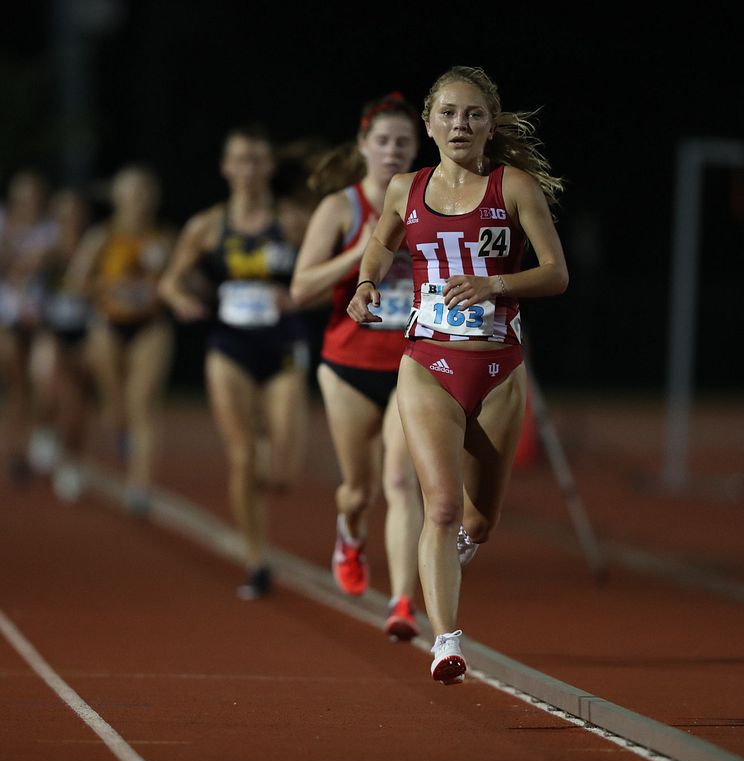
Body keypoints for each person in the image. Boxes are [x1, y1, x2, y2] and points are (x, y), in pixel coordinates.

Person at [347, 67, 568, 682]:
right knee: (439, 507)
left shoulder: (514, 186)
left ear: (490, 124)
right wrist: (366, 284)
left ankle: (450, 555)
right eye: (447, 113)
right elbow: (380, 244)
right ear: (428, 124)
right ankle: (446, 641)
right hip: (426, 363)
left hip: (498, 368)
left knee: (479, 520)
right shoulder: (404, 188)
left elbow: (556, 273)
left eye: (472, 114)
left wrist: (495, 283)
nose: (459, 125)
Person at [291, 93, 424, 640]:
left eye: (403, 142)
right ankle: (349, 532)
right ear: (363, 147)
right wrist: (366, 251)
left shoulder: (431, 202)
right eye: (383, 141)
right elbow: (300, 288)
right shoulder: (340, 208)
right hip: (346, 364)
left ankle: (401, 603)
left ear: (417, 149)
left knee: (399, 479)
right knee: (359, 490)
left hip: (412, 366)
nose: (392, 150)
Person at [159, 124, 309, 599]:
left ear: (268, 167)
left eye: (256, 160)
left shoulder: (292, 221)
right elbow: (169, 281)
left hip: (283, 346)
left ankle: (271, 462)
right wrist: (181, 300)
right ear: (226, 168)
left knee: (281, 471)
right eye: (239, 160)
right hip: (230, 348)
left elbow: (332, 274)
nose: (248, 169)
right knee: (242, 455)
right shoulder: (207, 226)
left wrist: (300, 294)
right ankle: (255, 557)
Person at [67, 164, 175, 514]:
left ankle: (139, 487)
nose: (139, 200)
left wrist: (165, 290)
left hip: (151, 326)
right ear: (118, 197)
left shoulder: (164, 239)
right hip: (108, 326)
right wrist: (111, 287)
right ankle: (118, 429)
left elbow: (180, 282)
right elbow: (74, 283)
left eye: (146, 192)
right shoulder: (102, 237)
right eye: (133, 193)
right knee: (115, 408)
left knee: (141, 401)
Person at [0, 170, 57, 484]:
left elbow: (54, 257)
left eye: (36, 197)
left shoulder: (51, 228)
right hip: (7, 321)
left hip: (41, 321)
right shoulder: (3, 223)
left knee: (46, 381)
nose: (29, 204)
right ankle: (15, 453)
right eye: (23, 197)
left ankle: (42, 432)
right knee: (18, 387)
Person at [37, 188, 94, 501]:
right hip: (51, 330)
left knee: (77, 403)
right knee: (47, 384)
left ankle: (72, 462)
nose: (70, 220)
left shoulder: (94, 248)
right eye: (64, 215)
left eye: (76, 214)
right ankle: (44, 428)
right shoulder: (47, 252)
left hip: (84, 332)